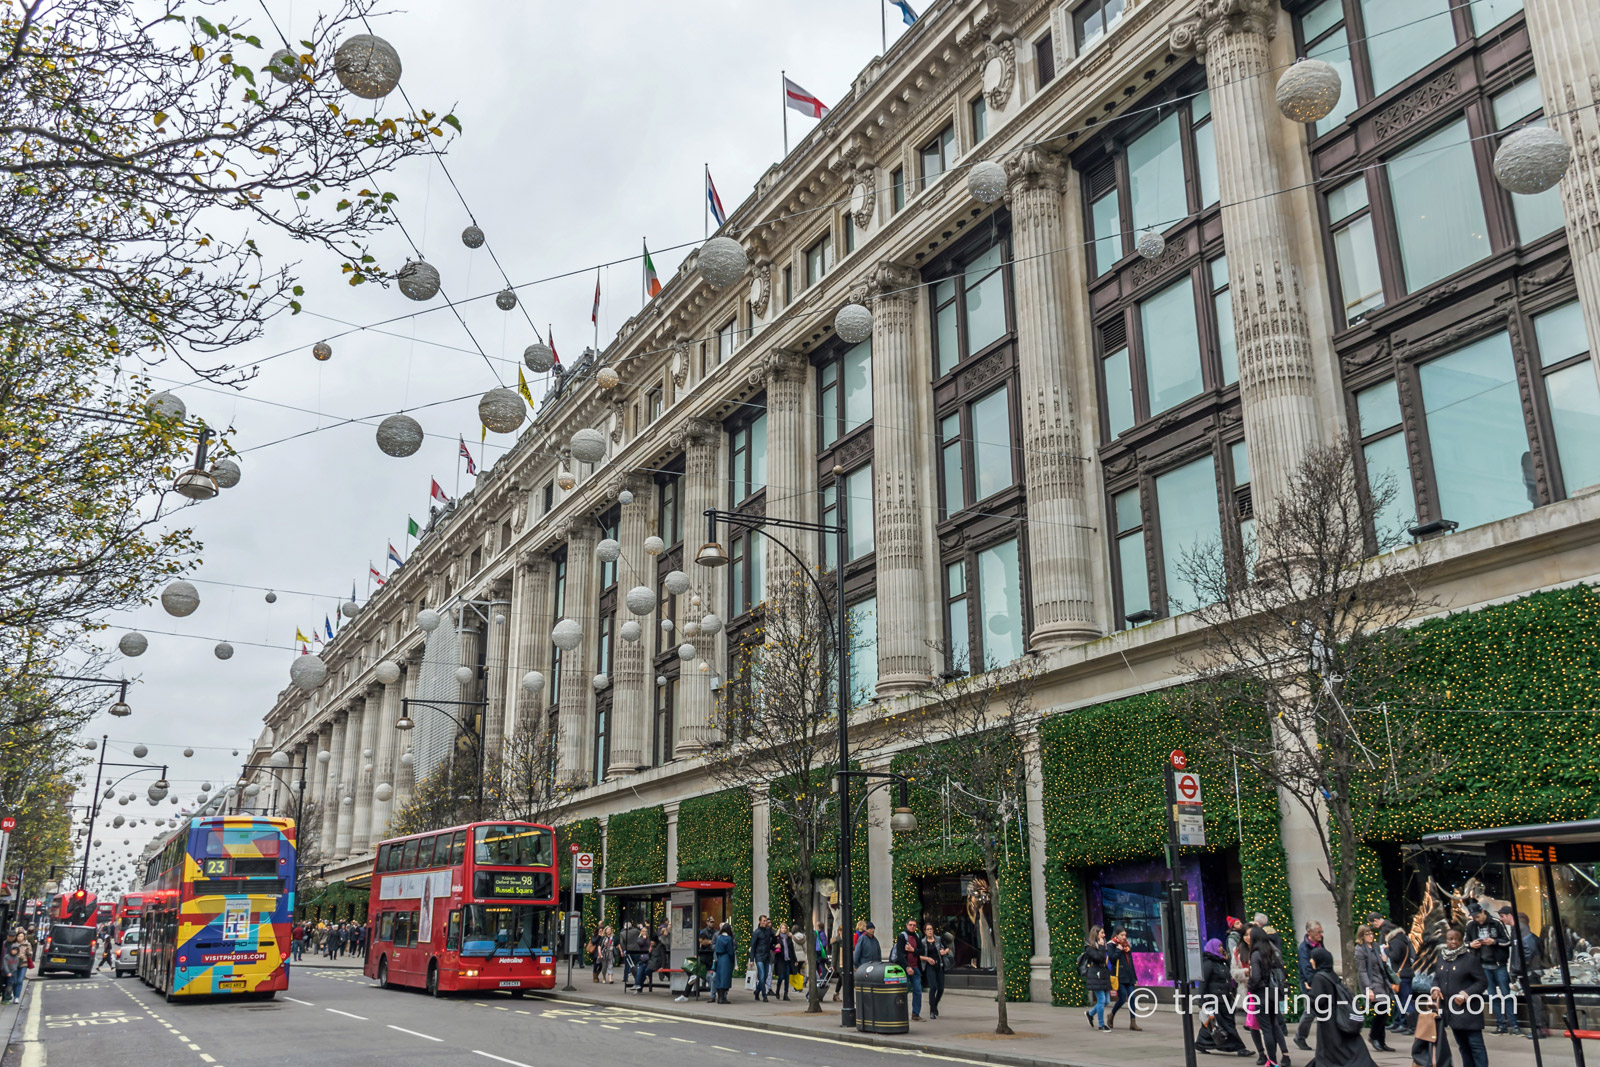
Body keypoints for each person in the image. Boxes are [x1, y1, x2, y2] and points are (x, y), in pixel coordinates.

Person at [1307, 945, 1379, 1067]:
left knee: (1329, 1055)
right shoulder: (1331, 975)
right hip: (1338, 1020)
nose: (1310, 961)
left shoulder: (1319, 977)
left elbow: (1318, 1001)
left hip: (1328, 1024)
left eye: (1312, 958)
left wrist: (1310, 993)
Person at [1431, 927, 1489, 1067]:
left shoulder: (1470, 959)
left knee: (1476, 1046)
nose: (1454, 942)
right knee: (1462, 1046)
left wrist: (1466, 994)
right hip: (1451, 1011)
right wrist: (1435, 988)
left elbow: (1482, 982)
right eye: (1450, 939)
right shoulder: (1442, 958)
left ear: (1462, 941)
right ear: (1446, 940)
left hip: (1469, 1011)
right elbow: (1437, 977)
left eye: (1457, 939)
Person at [1465, 902, 1514, 1035]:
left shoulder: (1496, 923)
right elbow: (1465, 942)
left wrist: (1494, 941)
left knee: (1506, 993)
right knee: (1492, 995)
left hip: (1498, 964)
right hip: (1483, 964)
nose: (1475, 919)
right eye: (1473, 917)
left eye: (1477, 916)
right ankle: (1501, 1024)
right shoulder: (1471, 926)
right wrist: (1471, 945)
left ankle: (1514, 1024)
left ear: (1482, 912)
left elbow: (1508, 940)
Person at [1199, 936, 1249, 1054]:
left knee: (1214, 1023)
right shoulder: (1208, 963)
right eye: (1219, 946)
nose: (1221, 948)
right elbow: (1203, 982)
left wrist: (1226, 960)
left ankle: (1201, 1042)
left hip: (1225, 997)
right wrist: (1201, 1001)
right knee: (1227, 1023)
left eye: (1222, 946)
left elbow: (1228, 977)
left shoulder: (1221, 962)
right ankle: (1240, 1048)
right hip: (1215, 998)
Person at [1501, 906, 1545, 1038]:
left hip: (1529, 971)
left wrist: (1521, 967)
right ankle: (1539, 1027)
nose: (1501, 920)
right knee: (1534, 1000)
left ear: (1509, 915)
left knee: (1534, 1000)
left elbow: (1528, 948)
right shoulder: (1517, 929)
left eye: (1502, 916)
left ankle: (1539, 1029)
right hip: (1527, 970)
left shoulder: (1520, 928)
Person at [1249, 924, 1288, 1067]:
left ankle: (1272, 1060)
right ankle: (1277, 1058)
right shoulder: (1271, 952)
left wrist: (1251, 987)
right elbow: (1282, 971)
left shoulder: (1255, 954)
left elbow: (1256, 977)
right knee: (1273, 1025)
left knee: (1266, 1029)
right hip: (1273, 994)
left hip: (1261, 994)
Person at [1355, 924, 1394, 1052]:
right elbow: (1362, 971)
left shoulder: (1376, 946)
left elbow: (1382, 964)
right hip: (1372, 983)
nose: (1371, 936)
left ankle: (1381, 1041)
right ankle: (1373, 1036)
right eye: (1367, 934)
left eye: (1371, 933)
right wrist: (1369, 989)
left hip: (1382, 982)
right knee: (1381, 1010)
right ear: (1362, 936)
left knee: (1383, 1012)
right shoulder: (1360, 949)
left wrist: (1384, 960)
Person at [1295, 922, 1325, 1050]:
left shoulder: (1320, 943)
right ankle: (1299, 1037)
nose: (1321, 934)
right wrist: (1313, 983)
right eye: (1318, 932)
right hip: (1310, 984)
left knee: (1323, 1012)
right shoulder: (1304, 948)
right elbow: (1307, 968)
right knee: (1310, 1012)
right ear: (1309, 933)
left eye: (1321, 931)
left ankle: (1326, 1040)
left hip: (1321, 980)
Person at [1107, 927, 1141, 1031]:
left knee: (1132, 998)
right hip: (1119, 976)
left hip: (1129, 976)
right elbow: (1112, 960)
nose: (1124, 937)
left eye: (1125, 935)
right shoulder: (1111, 945)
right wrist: (1118, 950)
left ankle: (1133, 1022)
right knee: (1122, 999)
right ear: (1116, 935)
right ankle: (1111, 1014)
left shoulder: (1127, 946)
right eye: (1122, 935)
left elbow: (1130, 963)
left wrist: (1134, 978)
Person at [1081, 925, 1113, 1032]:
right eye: (1102, 933)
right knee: (1101, 999)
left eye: (1104, 933)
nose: (1104, 935)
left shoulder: (1103, 945)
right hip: (1095, 975)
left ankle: (1090, 1014)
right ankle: (1101, 1024)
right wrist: (1102, 947)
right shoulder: (1089, 947)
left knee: (1107, 1001)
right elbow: (1099, 958)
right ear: (1096, 934)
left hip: (1103, 974)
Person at [892, 918, 925, 1021]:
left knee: (918, 991)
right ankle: (899, 1013)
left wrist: (913, 950)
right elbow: (900, 954)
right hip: (905, 969)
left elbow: (922, 950)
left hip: (915, 968)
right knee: (903, 991)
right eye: (910, 925)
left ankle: (915, 1014)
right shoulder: (902, 937)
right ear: (907, 925)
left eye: (914, 925)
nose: (912, 927)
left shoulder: (917, 936)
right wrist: (907, 967)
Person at [1387, 926, 1417, 1035]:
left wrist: (1386, 951)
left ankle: (1409, 1025)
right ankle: (1401, 1023)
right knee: (1403, 999)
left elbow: (1394, 956)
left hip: (1401, 975)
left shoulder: (1395, 942)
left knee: (1405, 1000)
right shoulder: (1404, 940)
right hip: (1406, 973)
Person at [921, 922, 947, 1021]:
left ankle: (935, 1004)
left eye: (931, 929)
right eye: (927, 929)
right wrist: (927, 959)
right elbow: (918, 955)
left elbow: (947, 947)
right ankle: (932, 1010)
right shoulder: (923, 942)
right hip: (929, 966)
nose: (930, 931)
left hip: (939, 965)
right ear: (925, 931)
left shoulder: (939, 939)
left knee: (940, 988)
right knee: (933, 987)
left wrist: (944, 951)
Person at [749, 915, 775, 1001]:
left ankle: (757, 991)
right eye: (763, 921)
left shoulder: (768, 931)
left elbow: (774, 939)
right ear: (760, 921)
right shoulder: (756, 933)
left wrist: (775, 946)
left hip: (766, 956)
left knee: (765, 976)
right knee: (762, 975)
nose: (765, 922)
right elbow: (753, 947)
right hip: (759, 956)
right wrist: (752, 960)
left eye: (766, 921)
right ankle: (764, 995)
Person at [712, 922, 736, 1004]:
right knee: (725, 978)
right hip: (726, 959)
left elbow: (716, 949)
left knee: (719, 978)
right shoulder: (729, 938)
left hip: (720, 958)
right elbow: (730, 951)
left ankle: (719, 997)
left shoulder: (719, 938)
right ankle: (723, 998)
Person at [772, 922, 795, 1001]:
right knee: (781, 976)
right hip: (780, 959)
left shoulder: (789, 938)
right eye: (782, 928)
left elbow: (792, 950)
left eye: (785, 928)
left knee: (787, 978)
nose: (784, 929)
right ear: (780, 929)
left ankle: (786, 994)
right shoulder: (777, 938)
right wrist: (775, 946)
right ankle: (777, 990)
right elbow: (772, 945)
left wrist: (795, 960)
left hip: (788, 959)